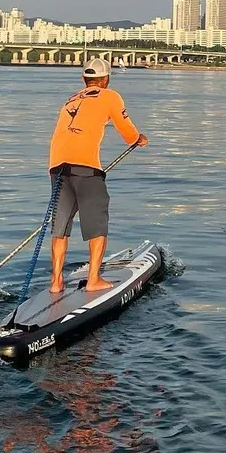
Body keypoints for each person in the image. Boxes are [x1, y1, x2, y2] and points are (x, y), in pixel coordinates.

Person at [47, 57, 148, 295]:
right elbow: (126, 128)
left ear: (85, 80)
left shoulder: (70, 99)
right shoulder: (110, 95)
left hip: (57, 168)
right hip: (86, 168)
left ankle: (55, 282)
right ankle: (93, 279)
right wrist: (138, 139)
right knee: (97, 224)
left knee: (60, 228)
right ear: (105, 80)